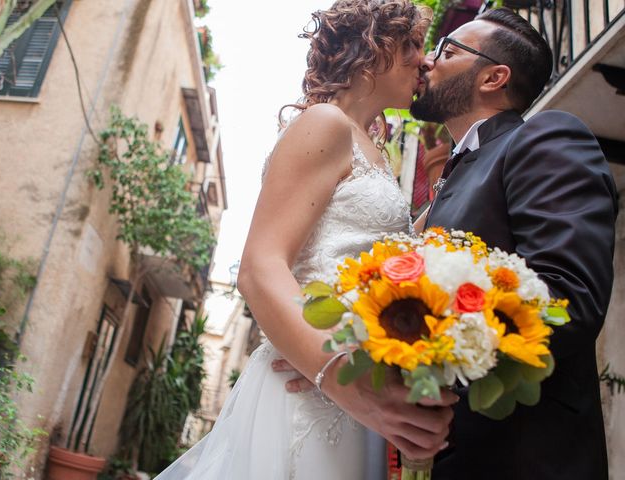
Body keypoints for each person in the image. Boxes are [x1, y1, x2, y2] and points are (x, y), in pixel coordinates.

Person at [154, 2, 456, 479]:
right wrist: (340, 378)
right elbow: (260, 267)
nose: (425, 60)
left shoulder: (372, 149)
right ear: (371, 49)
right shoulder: (325, 124)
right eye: (413, 45)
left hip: (353, 401)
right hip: (315, 395)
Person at [409, 7, 618, 479]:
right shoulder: (458, 173)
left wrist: (418, 345)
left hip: (524, 458)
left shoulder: (546, 137)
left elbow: (568, 298)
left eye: (447, 50)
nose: (426, 62)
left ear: (493, 77)